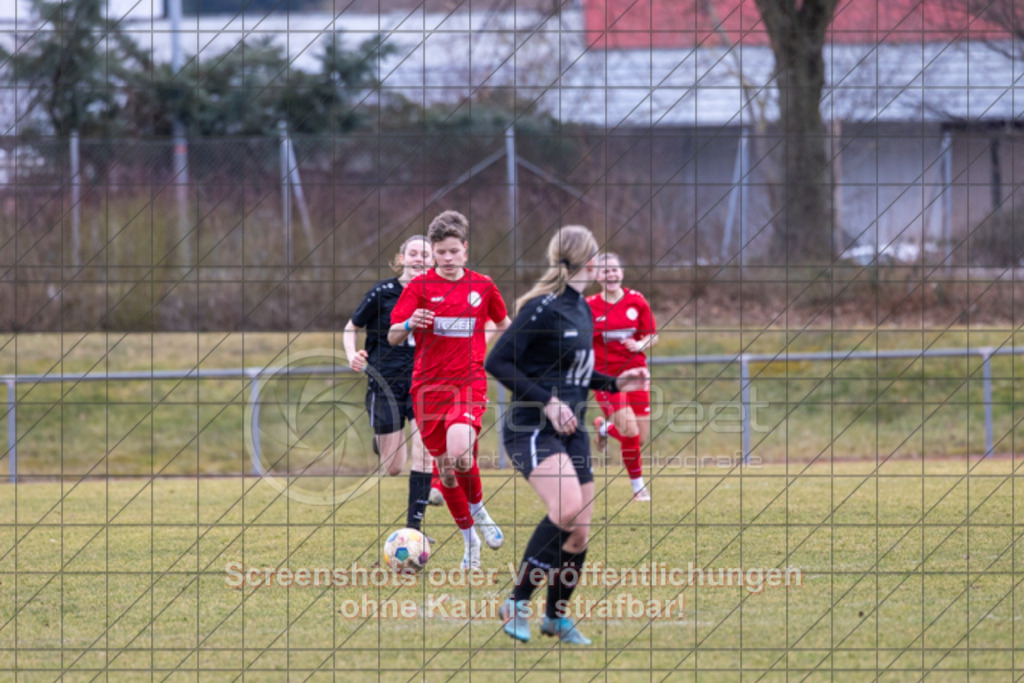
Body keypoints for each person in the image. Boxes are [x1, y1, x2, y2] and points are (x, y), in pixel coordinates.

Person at [485, 226, 649, 645]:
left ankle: (555, 618)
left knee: (579, 531)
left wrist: (617, 383)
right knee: (566, 509)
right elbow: (498, 362)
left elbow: (577, 373)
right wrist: (548, 402)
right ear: (589, 262)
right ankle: (516, 603)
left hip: (572, 430)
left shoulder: (582, 308)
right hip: (532, 427)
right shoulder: (543, 307)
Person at [388, 210, 511, 569]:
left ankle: (480, 511)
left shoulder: (483, 286)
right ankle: (470, 540)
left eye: (453, 252)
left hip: (467, 383)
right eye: (440, 252)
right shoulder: (419, 287)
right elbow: (393, 335)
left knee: (460, 453)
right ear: (433, 251)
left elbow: (506, 324)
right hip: (427, 389)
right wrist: (410, 323)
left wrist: (484, 347)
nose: (446, 259)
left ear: (465, 249)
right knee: (444, 472)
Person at [343, 235, 444, 535]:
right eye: (413, 253)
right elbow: (352, 327)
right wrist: (353, 354)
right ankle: (381, 440)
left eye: (425, 254)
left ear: (434, 260)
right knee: (394, 466)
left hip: (423, 381)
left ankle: (414, 527)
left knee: (424, 452)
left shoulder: (440, 293)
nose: (419, 259)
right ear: (401, 259)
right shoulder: (383, 292)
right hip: (385, 381)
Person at [587, 252, 658, 501]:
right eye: (605, 271)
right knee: (629, 430)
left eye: (615, 270)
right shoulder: (588, 306)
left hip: (636, 375)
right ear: (596, 276)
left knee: (640, 435)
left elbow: (652, 334)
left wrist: (640, 346)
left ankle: (604, 427)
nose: (611, 275)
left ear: (622, 272)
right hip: (606, 379)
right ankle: (639, 488)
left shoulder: (636, 300)